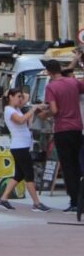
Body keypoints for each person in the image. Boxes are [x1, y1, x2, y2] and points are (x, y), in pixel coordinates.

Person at [38, 57, 84, 213]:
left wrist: (45, 114)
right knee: (78, 165)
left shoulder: (51, 87)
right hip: (77, 128)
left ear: (49, 72)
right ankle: (81, 198)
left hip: (62, 129)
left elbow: (55, 110)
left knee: (68, 166)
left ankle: (74, 201)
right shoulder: (72, 82)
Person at [0, 88, 51, 212]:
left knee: (19, 175)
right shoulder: (9, 110)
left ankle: (3, 199)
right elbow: (20, 121)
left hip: (22, 146)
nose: (21, 99)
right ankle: (36, 203)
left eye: (20, 97)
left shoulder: (17, 108)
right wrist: (33, 109)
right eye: (17, 96)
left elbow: (26, 96)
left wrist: (32, 103)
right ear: (10, 97)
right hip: (19, 147)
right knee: (29, 175)